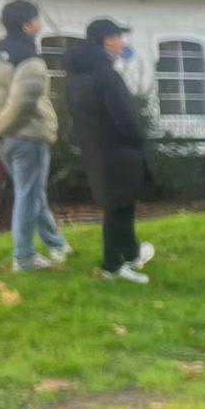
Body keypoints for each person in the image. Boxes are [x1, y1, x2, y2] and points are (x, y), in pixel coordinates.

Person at [0, 0, 69, 272]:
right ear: (28, 25)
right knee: (28, 194)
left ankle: (57, 243)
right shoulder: (30, 59)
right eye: (37, 19)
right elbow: (23, 102)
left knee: (32, 193)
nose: (41, 24)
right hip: (27, 137)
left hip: (0, 140)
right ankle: (24, 258)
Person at [64, 18, 154, 284]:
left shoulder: (75, 75)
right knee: (119, 209)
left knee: (117, 205)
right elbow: (124, 117)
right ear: (107, 41)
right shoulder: (106, 74)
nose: (121, 43)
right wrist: (139, 138)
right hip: (118, 150)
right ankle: (113, 266)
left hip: (94, 149)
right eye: (118, 38)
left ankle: (131, 253)